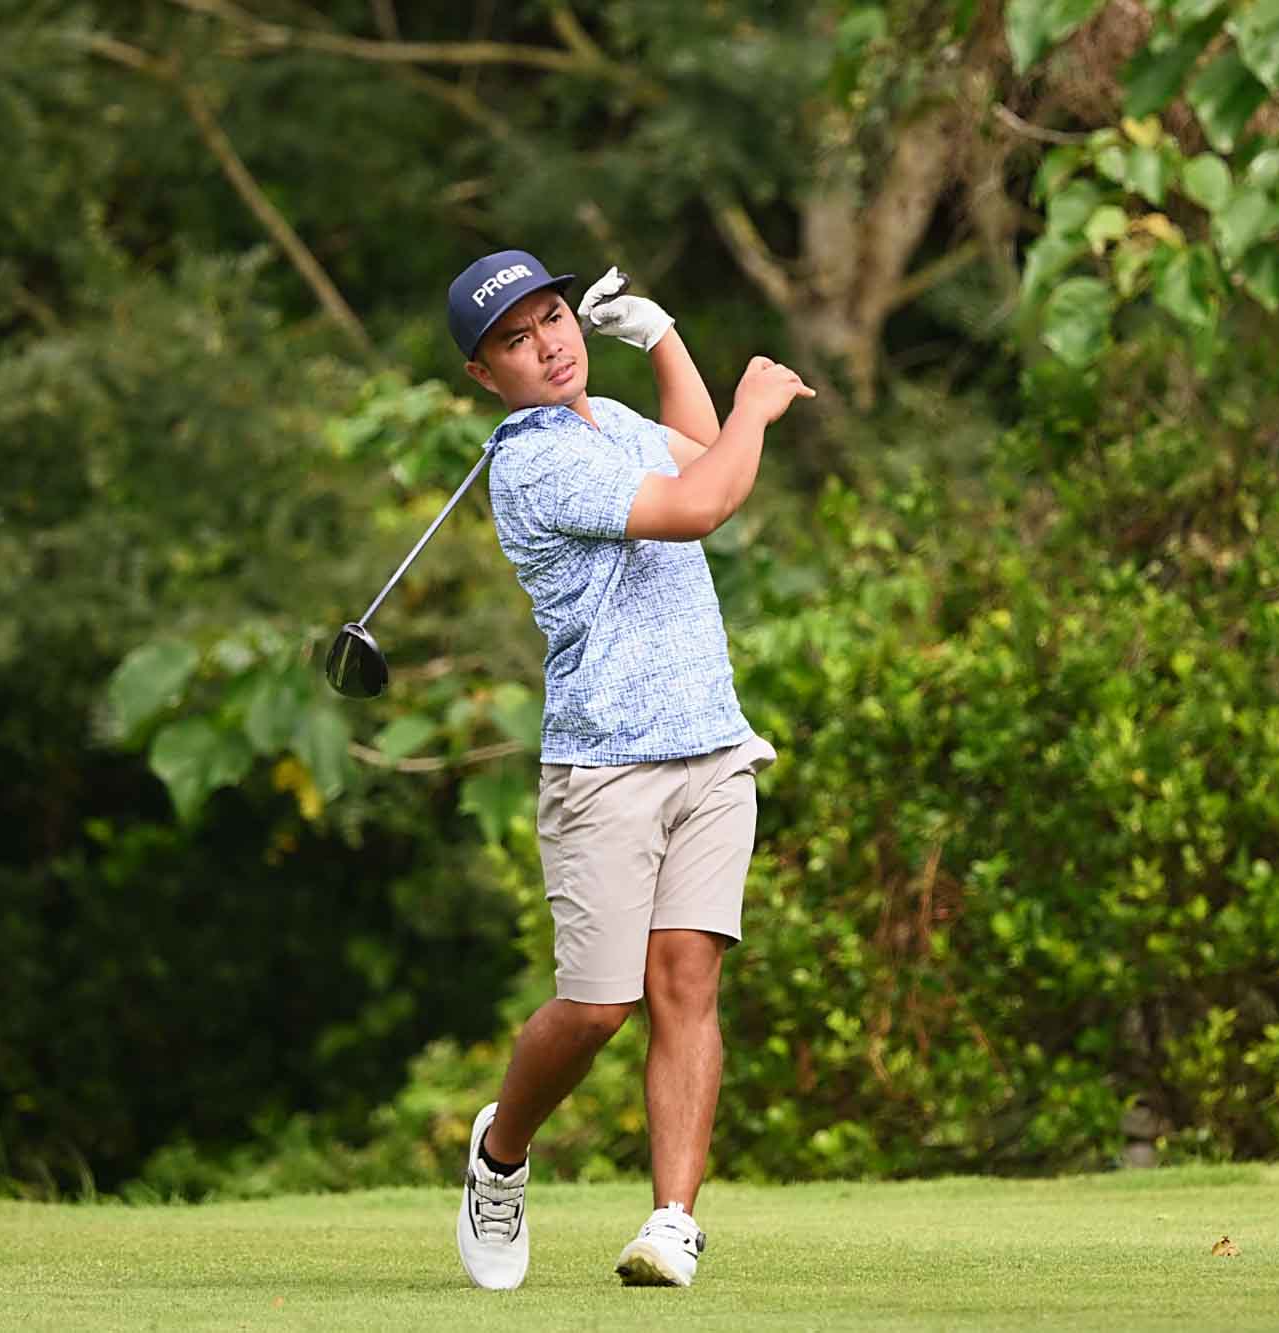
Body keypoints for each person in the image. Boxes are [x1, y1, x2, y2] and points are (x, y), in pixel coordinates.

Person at [443, 249, 814, 1289]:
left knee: (687, 982)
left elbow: (696, 450)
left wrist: (659, 338)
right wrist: (756, 402)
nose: (547, 345)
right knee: (597, 1007)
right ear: (484, 373)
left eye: (554, 318)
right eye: (514, 339)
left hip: (712, 744)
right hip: (606, 763)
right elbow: (702, 502)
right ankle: (500, 1153)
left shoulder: (607, 422)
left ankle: (672, 1221)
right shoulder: (534, 464)